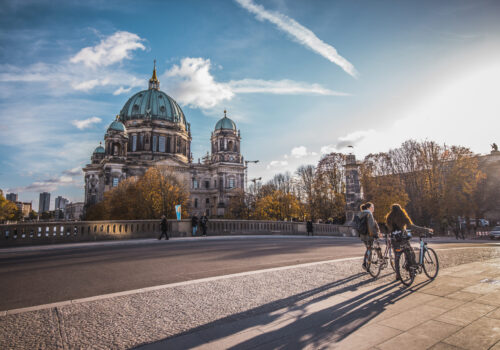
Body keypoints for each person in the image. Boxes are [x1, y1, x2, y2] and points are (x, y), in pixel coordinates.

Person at [385, 204, 433, 280]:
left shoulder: (389, 217)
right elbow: (411, 226)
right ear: (400, 208)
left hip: (394, 239)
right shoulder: (402, 215)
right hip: (403, 238)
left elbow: (388, 229)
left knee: (397, 257)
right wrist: (426, 230)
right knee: (410, 254)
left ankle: (398, 275)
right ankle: (411, 271)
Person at [358, 202, 381, 271]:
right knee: (369, 249)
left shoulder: (360, 214)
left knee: (368, 249)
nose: (373, 208)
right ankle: (366, 264)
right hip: (369, 235)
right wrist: (375, 234)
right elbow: (371, 226)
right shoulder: (369, 214)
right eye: (372, 207)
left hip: (362, 235)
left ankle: (367, 264)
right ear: (368, 208)